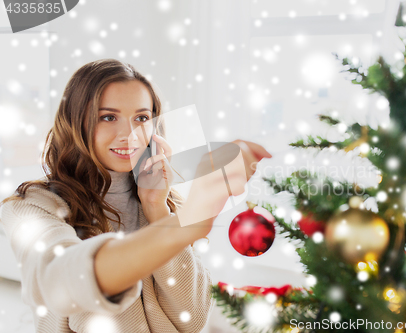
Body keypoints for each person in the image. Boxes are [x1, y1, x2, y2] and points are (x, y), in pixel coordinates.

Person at [0, 59, 272, 333]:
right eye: (108, 117)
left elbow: (194, 317)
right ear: (75, 121)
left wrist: (156, 209)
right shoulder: (32, 206)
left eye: (141, 118)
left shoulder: (162, 201)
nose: (129, 135)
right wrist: (183, 225)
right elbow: (58, 281)